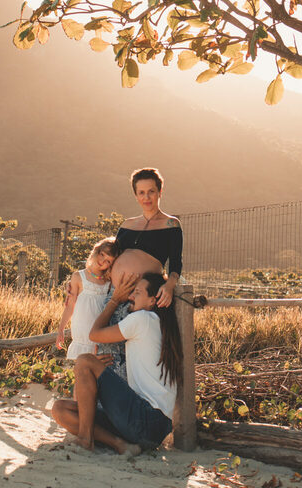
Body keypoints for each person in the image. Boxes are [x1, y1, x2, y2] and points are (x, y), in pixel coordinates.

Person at [51, 272, 183, 455]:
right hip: (152, 429)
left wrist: (114, 301)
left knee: (84, 361)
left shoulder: (143, 319)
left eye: (137, 292)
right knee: (60, 409)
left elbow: (94, 334)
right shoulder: (159, 325)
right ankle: (119, 444)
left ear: (153, 301)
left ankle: (85, 440)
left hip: (146, 419)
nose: (130, 297)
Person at [98, 167, 183, 379]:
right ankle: (106, 407)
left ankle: (133, 405)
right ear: (135, 195)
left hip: (141, 300)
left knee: (134, 357)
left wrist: (170, 285)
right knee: (107, 356)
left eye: (151, 191)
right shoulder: (127, 225)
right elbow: (110, 257)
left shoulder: (171, 224)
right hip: (115, 296)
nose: (147, 197)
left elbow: (176, 264)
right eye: (141, 192)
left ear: (160, 192)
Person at [55, 237, 121, 359]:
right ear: (96, 251)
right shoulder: (78, 277)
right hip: (81, 339)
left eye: (108, 261)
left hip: (99, 341)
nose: (102, 261)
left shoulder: (109, 283)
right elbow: (70, 305)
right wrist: (61, 330)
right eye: (102, 255)